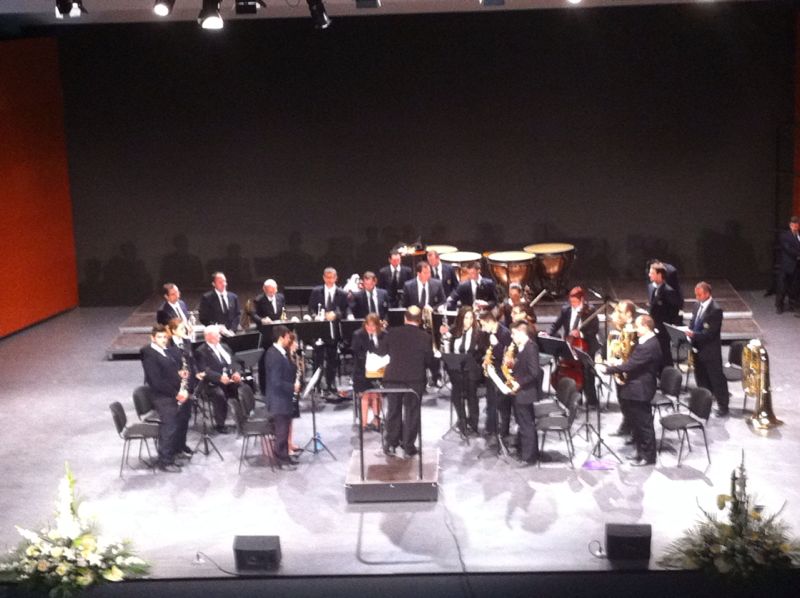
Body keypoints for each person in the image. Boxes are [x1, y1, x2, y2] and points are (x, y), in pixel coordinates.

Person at [376, 306, 434, 458]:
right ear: (419, 320)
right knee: (412, 413)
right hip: (415, 380)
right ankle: (408, 447)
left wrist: (381, 334)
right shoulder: (425, 337)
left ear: (405, 318)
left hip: (393, 378)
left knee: (393, 411)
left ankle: (391, 444)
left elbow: (381, 352)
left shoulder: (392, 333)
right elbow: (429, 360)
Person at [605, 315, 661, 466]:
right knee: (636, 423)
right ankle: (640, 452)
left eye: (638, 326)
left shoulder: (649, 345)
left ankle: (648, 457)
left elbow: (631, 365)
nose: (636, 329)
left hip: (641, 389)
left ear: (646, 326)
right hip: (636, 387)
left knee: (644, 425)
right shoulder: (644, 341)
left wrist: (609, 369)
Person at [140, 324, 192, 472]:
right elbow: (156, 381)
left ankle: (177, 449)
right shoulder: (148, 353)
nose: (163, 340)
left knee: (183, 418)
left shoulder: (166, 350)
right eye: (160, 337)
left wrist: (180, 375)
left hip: (174, 391)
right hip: (162, 396)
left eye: (165, 337)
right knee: (170, 424)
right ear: (153, 338)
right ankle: (165, 461)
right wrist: (176, 394)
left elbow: (171, 369)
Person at [548, 286, 600, 406]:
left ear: (582, 299)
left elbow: (594, 329)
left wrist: (580, 333)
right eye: (571, 302)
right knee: (570, 370)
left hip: (586, 345)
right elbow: (556, 324)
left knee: (587, 374)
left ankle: (592, 401)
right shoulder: (566, 309)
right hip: (570, 344)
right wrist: (549, 333)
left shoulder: (590, 310)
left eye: (575, 302)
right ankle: (575, 398)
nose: (573, 305)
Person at [687, 281, 730, 416]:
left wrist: (694, 335)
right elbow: (693, 322)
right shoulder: (696, 306)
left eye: (699, 295)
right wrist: (689, 331)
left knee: (716, 379)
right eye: (696, 295)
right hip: (697, 349)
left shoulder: (715, 310)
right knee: (701, 378)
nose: (697, 297)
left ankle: (723, 406)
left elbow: (710, 333)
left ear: (707, 294)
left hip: (710, 351)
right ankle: (704, 403)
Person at [307, 267, 351, 394]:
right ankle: (317, 384)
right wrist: (315, 316)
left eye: (332, 277)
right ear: (324, 278)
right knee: (318, 358)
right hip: (319, 330)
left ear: (336, 278)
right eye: (327, 277)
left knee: (332, 359)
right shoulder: (316, 291)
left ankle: (330, 384)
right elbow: (311, 308)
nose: (330, 280)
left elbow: (345, 310)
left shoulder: (342, 293)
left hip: (334, 332)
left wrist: (336, 315)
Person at [264, 325, 301, 469]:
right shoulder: (273, 355)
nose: (289, 340)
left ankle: (285, 456)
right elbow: (276, 381)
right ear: (281, 337)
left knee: (284, 431)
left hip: (283, 398)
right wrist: (292, 387)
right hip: (278, 400)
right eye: (287, 337)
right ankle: (281, 461)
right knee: (281, 432)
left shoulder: (281, 352)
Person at [194, 325, 241, 433]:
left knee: (242, 387)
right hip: (211, 383)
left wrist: (236, 372)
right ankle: (220, 424)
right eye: (217, 335)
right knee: (219, 395)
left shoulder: (224, 346)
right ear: (208, 337)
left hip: (228, 379)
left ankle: (241, 417)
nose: (220, 336)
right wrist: (219, 377)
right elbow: (204, 370)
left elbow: (235, 361)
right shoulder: (200, 351)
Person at [444, 307, 483, 436]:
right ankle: (462, 421)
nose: (469, 321)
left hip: (471, 370)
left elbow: (481, 352)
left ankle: (473, 424)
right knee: (456, 395)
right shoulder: (453, 330)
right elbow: (448, 349)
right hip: (456, 370)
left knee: (472, 396)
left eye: (471, 318)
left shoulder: (478, 333)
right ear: (461, 318)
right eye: (466, 318)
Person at [508, 320, 541, 466]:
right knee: (523, 423)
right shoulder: (521, 347)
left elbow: (534, 373)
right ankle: (526, 452)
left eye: (514, 334)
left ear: (522, 333)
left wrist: (519, 383)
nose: (512, 337)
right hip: (520, 392)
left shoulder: (531, 347)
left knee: (526, 425)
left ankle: (529, 458)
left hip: (526, 393)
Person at [479, 310, 513, 444]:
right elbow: (485, 350)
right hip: (491, 372)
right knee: (491, 400)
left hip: (502, 374)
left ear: (490, 322)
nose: (482, 328)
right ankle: (492, 428)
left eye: (483, 325)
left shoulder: (505, 333)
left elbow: (507, 356)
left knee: (503, 404)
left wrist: (497, 345)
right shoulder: (487, 334)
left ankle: (503, 431)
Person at [607, 300, 637, 440]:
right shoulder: (623, 327)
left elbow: (633, 353)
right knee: (622, 400)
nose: (616, 314)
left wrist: (620, 363)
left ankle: (634, 431)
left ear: (629, 313)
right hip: (620, 370)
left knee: (630, 403)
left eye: (620, 311)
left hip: (630, 373)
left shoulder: (634, 329)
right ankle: (626, 426)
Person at [351, 314, 385, 432]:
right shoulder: (358, 335)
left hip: (378, 372)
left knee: (376, 395)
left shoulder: (383, 335)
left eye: (373, 326)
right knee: (365, 396)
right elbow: (356, 353)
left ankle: (376, 421)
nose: (370, 328)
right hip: (362, 372)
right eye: (368, 325)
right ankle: (364, 423)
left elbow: (386, 351)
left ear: (378, 326)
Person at [647, 262, 682, 369]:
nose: (649, 275)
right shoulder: (651, 287)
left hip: (663, 329)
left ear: (659, 275)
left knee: (665, 353)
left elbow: (674, 309)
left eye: (652, 273)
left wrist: (667, 325)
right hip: (653, 326)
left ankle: (668, 373)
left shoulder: (668, 291)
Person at [775, 216, 800, 314]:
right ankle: (779, 305)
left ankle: (792, 304)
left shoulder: (798, 235)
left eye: (797, 225)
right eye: (794, 224)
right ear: (790, 225)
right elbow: (788, 249)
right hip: (787, 266)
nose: (795, 226)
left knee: (794, 287)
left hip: (797, 266)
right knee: (782, 286)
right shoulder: (785, 236)